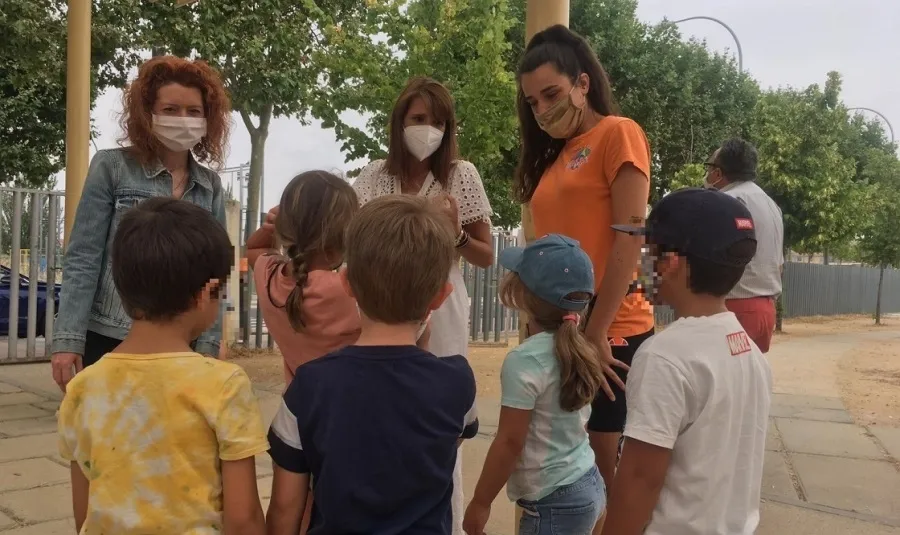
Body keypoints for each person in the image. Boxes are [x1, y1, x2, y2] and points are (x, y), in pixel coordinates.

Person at [265, 195, 479, 535]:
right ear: (441, 296)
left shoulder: (310, 385)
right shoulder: (457, 381)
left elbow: (284, 511)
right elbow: (439, 449)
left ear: (346, 283)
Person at [57, 198, 269, 534]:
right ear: (208, 293)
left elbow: (85, 513)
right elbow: (243, 519)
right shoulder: (224, 384)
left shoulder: (83, 388)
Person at [514, 24, 654, 495]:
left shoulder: (619, 134)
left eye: (551, 93)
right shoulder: (554, 159)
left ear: (582, 84)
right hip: (563, 334)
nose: (542, 109)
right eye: (532, 102)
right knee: (565, 476)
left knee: (602, 478)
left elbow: (631, 238)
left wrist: (596, 333)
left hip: (610, 330)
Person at [351, 75, 493, 532]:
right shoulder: (375, 175)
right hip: (380, 299)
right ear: (399, 122)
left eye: (437, 121)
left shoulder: (460, 175)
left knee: (440, 420)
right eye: (417, 119)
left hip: (441, 298)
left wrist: (454, 233)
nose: (426, 128)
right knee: (379, 408)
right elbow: (349, 237)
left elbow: (487, 255)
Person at [51, 56, 231, 392]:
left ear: (209, 119)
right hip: (111, 337)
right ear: (148, 112)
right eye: (171, 109)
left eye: (194, 111)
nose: (183, 120)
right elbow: (83, 257)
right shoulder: (111, 168)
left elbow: (217, 274)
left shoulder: (210, 186)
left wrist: (209, 343)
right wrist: (68, 339)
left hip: (183, 343)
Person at [601, 188, 773, 535]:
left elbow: (639, 479)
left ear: (670, 263)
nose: (639, 262)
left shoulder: (665, 355)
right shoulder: (749, 352)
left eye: (646, 251)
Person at [463, 234, 607, 535]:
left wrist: (480, 502)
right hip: (589, 483)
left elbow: (509, 442)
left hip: (554, 503)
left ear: (524, 294)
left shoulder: (525, 359)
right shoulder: (581, 347)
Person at [246, 171, 361, 385]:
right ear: (345, 237)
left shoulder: (269, 276)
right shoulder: (350, 291)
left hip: (296, 408)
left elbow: (254, 247)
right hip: (347, 409)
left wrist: (271, 227)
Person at [704, 138, 784, 352]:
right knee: (746, 379)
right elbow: (779, 265)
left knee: (724, 381)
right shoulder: (770, 204)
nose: (707, 174)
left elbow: (710, 257)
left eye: (709, 167)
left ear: (718, 173)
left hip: (734, 309)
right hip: (765, 311)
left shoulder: (728, 201)